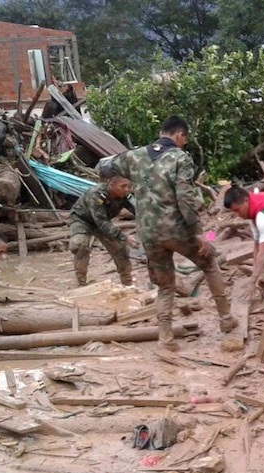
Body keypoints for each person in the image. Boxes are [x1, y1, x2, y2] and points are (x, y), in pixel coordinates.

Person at [103, 115, 237, 350]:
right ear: (179, 135)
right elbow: (185, 197)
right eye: (185, 139)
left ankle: (166, 338)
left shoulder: (135, 155)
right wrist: (198, 232)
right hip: (176, 229)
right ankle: (226, 320)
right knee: (209, 263)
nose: (185, 143)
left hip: (148, 232)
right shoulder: (181, 158)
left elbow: (103, 166)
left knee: (165, 286)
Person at [68, 175, 138, 287]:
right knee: (80, 244)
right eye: (123, 186)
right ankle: (81, 282)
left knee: (120, 248)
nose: (127, 189)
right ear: (111, 185)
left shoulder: (126, 195)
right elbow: (101, 222)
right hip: (83, 220)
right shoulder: (96, 195)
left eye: (129, 186)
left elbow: (138, 211)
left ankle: (127, 282)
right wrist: (125, 237)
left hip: (103, 221)